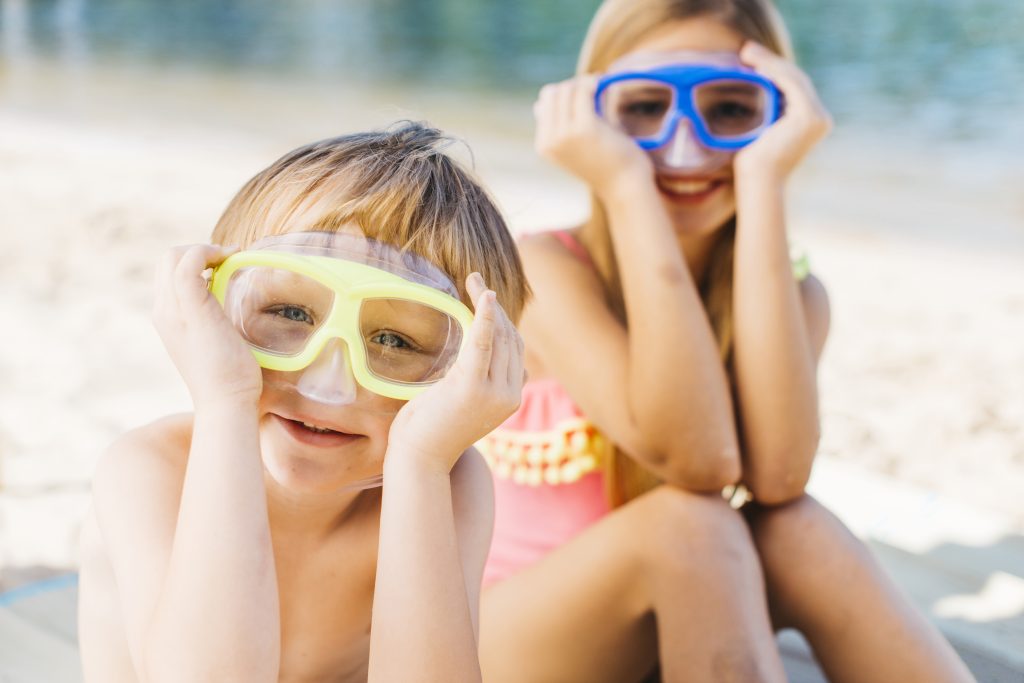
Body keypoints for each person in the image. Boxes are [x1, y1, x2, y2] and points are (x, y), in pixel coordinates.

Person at [477, 1, 975, 681]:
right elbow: (697, 460)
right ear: (591, 117)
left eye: (733, 111)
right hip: (513, 639)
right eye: (645, 108)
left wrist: (766, 182)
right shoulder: (545, 270)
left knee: (797, 531)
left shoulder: (796, 296)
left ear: (782, 118)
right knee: (694, 525)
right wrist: (625, 185)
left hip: (684, 614)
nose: (686, 146)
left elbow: (778, 478)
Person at [77, 122, 529, 682]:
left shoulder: (447, 480)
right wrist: (226, 401)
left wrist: (419, 464)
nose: (328, 385)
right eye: (290, 313)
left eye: (394, 341)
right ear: (211, 308)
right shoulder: (148, 469)